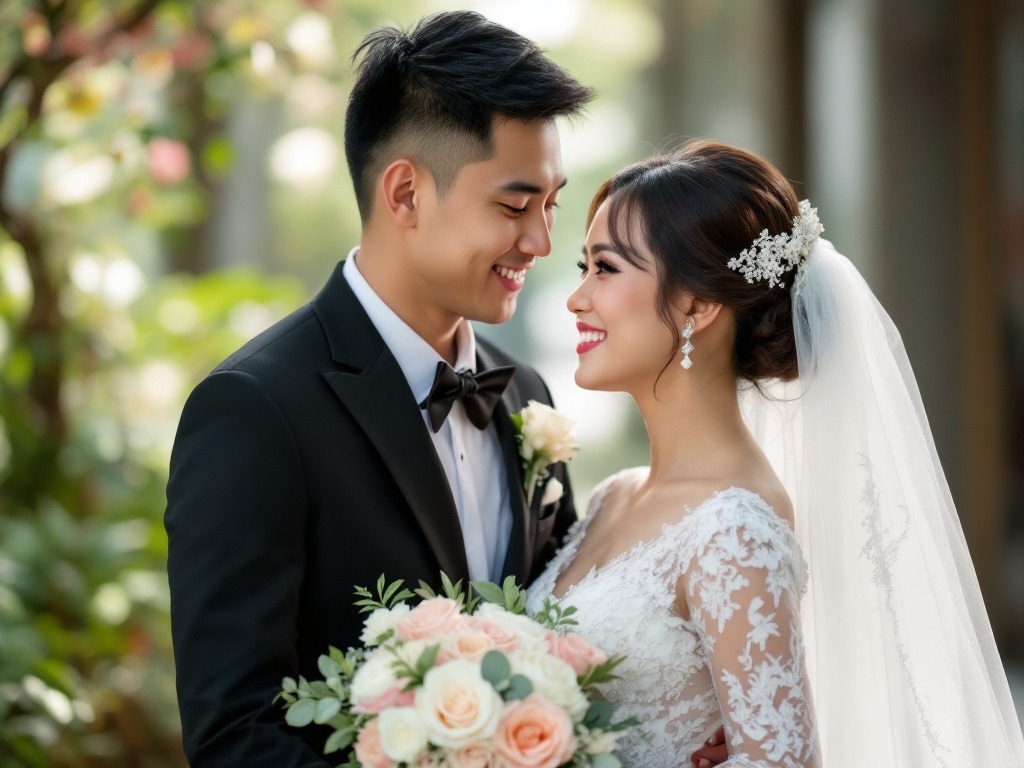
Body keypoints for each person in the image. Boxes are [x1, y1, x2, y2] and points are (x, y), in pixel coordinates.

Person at [164, 12, 592, 766]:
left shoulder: (526, 394)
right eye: (515, 206)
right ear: (404, 194)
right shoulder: (255, 411)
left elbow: (572, 645)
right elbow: (234, 734)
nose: (541, 242)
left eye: (552, 205)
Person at [526, 140, 1024, 767]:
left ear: (699, 305)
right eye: (584, 268)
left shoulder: (732, 530)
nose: (577, 297)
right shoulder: (610, 497)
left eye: (605, 269)